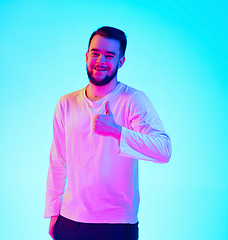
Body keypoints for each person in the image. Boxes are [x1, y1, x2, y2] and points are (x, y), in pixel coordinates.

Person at [44, 26, 172, 240]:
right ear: (87, 56)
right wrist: (53, 212)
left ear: (121, 61)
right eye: (95, 53)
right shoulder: (66, 103)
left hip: (116, 224)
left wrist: (117, 131)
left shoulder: (133, 100)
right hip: (70, 220)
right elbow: (58, 161)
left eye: (109, 55)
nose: (100, 61)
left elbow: (163, 150)